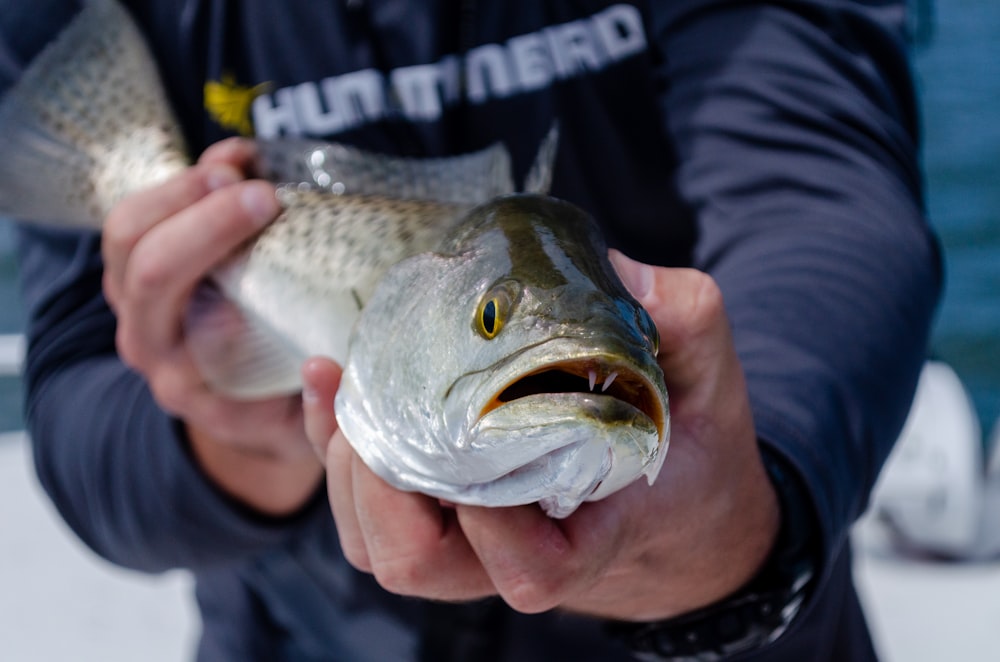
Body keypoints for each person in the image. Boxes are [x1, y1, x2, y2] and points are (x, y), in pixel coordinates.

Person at [1, 0, 941, 660]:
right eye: (496, 321)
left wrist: (744, 511)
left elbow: (825, 200)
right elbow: (80, 415)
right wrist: (231, 440)